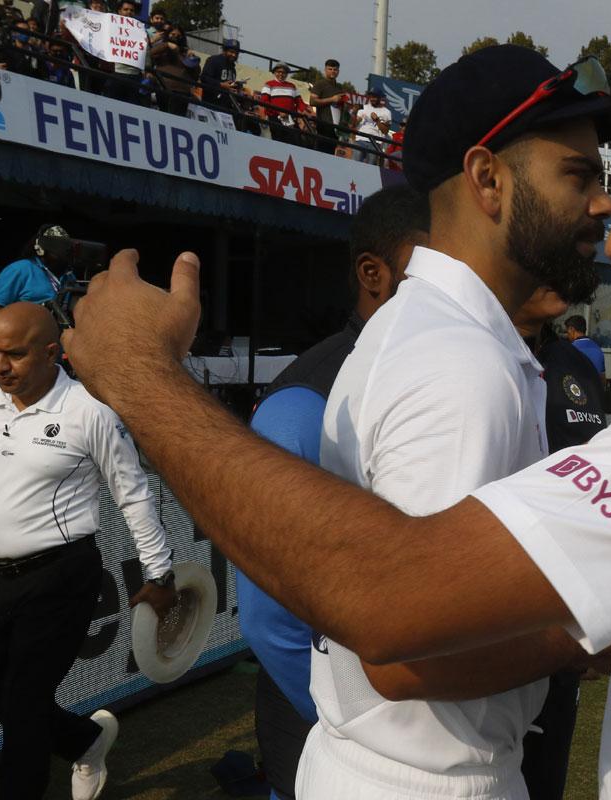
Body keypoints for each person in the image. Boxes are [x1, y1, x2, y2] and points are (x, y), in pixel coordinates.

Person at [62, 9, 611, 799]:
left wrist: (143, 378)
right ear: (486, 180)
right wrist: (144, 376)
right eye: (594, 186)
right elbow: (401, 632)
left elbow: (392, 600)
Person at [306, 44, 611, 800]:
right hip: (425, 779)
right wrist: (589, 629)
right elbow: (407, 654)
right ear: (487, 179)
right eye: (578, 176)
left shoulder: (436, 330)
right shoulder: (460, 364)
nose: (603, 204)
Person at [235, 187, 430, 800]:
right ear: (373, 274)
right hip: (323, 732)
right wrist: (350, 722)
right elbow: (270, 617)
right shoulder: (307, 395)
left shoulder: (431, 366)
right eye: (431, 268)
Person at [0, 303, 176, 800]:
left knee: (23, 706)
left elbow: (132, 492)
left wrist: (160, 573)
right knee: (4, 701)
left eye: (15, 355)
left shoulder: (89, 412)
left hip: (61, 577)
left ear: (51, 354)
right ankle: (86, 740)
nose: (0, 366)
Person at [510, 289, 607, 800]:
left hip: (563, 618)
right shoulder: (480, 354)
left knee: (546, 779)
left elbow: (594, 484)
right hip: (496, 617)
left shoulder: (575, 366)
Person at [0, 225, 76, 316]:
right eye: (56, 247)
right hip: (25, 328)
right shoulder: (19, 269)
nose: (61, 252)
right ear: (40, 249)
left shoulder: (68, 276)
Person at [258, 63, 311, 147]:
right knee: (278, 142)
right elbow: (264, 101)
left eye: (284, 72)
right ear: (274, 72)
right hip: (274, 118)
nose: (281, 74)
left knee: (296, 142)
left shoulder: (292, 86)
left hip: (290, 119)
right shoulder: (269, 84)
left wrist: (305, 109)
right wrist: (279, 112)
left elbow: (299, 101)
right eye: (279, 72)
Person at [309, 58, 347, 154]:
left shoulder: (340, 87)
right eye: (330, 69)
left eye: (335, 69)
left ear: (338, 71)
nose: (333, 71)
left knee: (330, 154)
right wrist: (332, 99)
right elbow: (312, 101)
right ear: (325, 70)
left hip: (336, 128)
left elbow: (342, 107)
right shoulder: (320, 84)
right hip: (323, 124)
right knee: (320, 153)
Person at [199, 38, 240, 116]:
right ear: (225, 50)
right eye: (231, 52)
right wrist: (221, 85)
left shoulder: (233, 69)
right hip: (210, 105)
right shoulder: (214, 60)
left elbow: (228, 86)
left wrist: (235, 88)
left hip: (225, 108)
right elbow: (204, 78)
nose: (234, 55)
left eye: (236, 53)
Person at [353, 89, 392, 165]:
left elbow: (385, 131)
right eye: (371, 96)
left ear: (380, 98)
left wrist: (377, 120)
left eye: (375, 97)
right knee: (354, 165)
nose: (372, 98)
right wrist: (355, 118)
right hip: (360, 140)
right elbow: (353, 125)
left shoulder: (387, 112)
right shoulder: (362, 108)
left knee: (370, 169)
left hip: (375, 143)